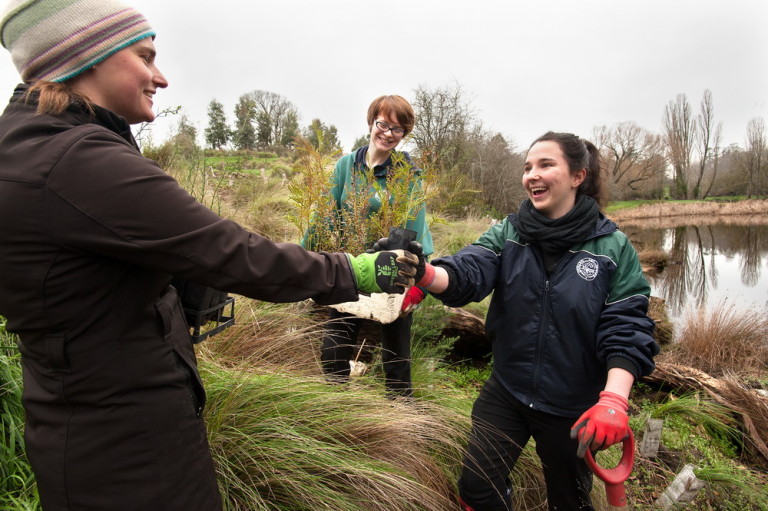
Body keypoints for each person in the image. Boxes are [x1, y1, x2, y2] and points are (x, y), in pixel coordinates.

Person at [0, 1, 421, 509]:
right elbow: (235, 253)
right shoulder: (81, 162)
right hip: (133, 447)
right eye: (145, 56)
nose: (162, 77)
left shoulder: (26, 146)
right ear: (86, 55)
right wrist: (356, 268)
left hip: (76, 422)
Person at [379, 131, 659, 510]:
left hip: (571, 405)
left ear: (578, 176)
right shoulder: (509, 232)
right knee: (477, 490)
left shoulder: (611, 248)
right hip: (507, 391)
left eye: (546, 165)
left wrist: (613, 400)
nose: (532, 175)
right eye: (528, 167)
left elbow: (627, 326)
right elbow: (468, 270)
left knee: (570, 502)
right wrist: (425, 274)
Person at [302, 95, 434, 397]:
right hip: (353, 270)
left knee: (397, 365)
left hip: (394, 275)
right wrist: (297, 259)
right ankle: (341, 412)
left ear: (404, 134)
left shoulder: (408, 174)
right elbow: (322, 218)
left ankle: (401, 425)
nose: (388, 133)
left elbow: (416, 233)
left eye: (397, 129)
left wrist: (418, 288)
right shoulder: (346, 166)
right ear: (371, 122)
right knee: (333, 352)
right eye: (383, 124)